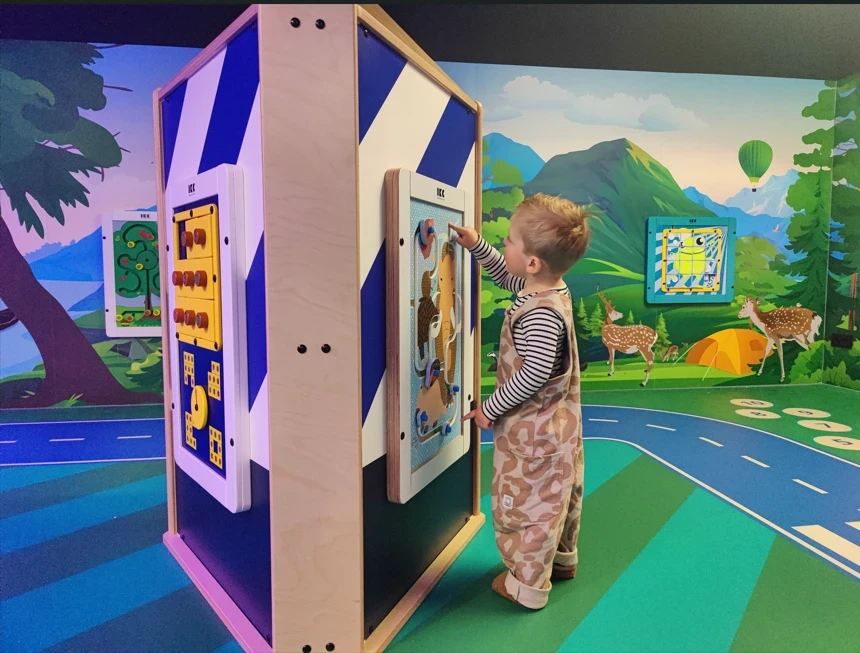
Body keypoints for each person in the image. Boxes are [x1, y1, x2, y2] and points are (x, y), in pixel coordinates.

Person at [450, 193, 591, 611]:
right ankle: (562, 560)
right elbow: (506, 275)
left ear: (532, 262)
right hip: (560, 429)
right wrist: (478, 245)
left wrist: (489, 409)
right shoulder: (547, 289)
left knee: (531, 505)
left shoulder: (540, 314)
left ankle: (527, 587)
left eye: (509, 240)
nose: (504, 244)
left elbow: (534, 373)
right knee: (560, 492)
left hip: (535, 433)